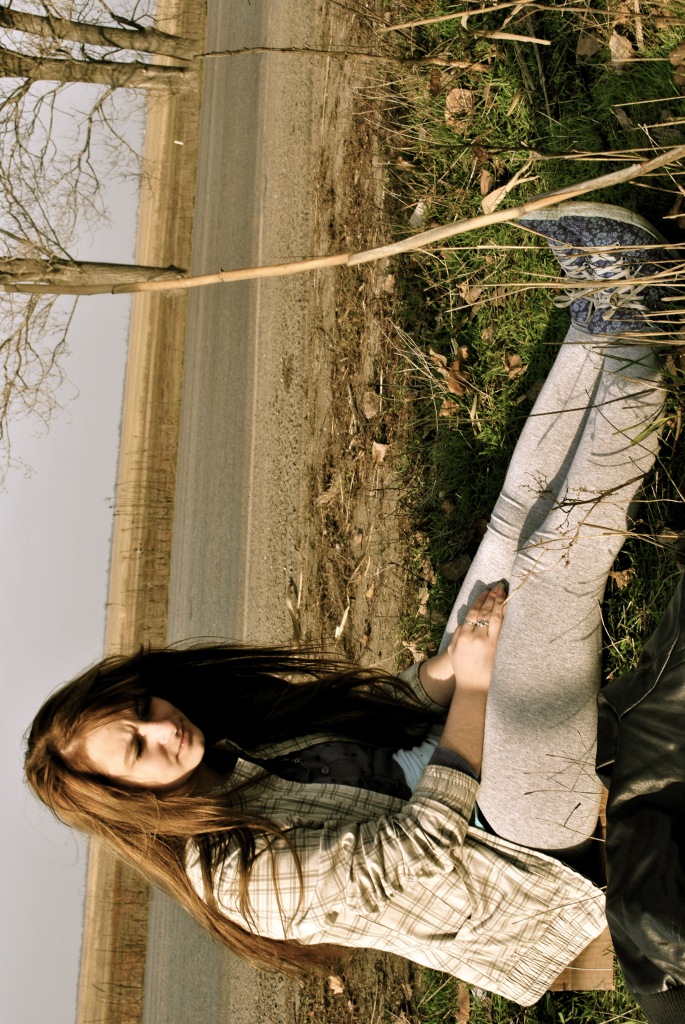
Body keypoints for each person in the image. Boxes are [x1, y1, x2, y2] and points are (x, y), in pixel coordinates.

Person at [25, 202, 675, 1006]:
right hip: (526, 851)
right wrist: (477, 685)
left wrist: (443, 672)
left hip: (467, 755)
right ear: (126, 800)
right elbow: (419, 850)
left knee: (508, 538)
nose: (163, 728)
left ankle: (605, 322)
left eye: (143, 709)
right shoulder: (236, 879)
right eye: (135, 747)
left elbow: (377, 730)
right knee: (544, 577)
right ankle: (639, 358)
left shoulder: (235, 748)